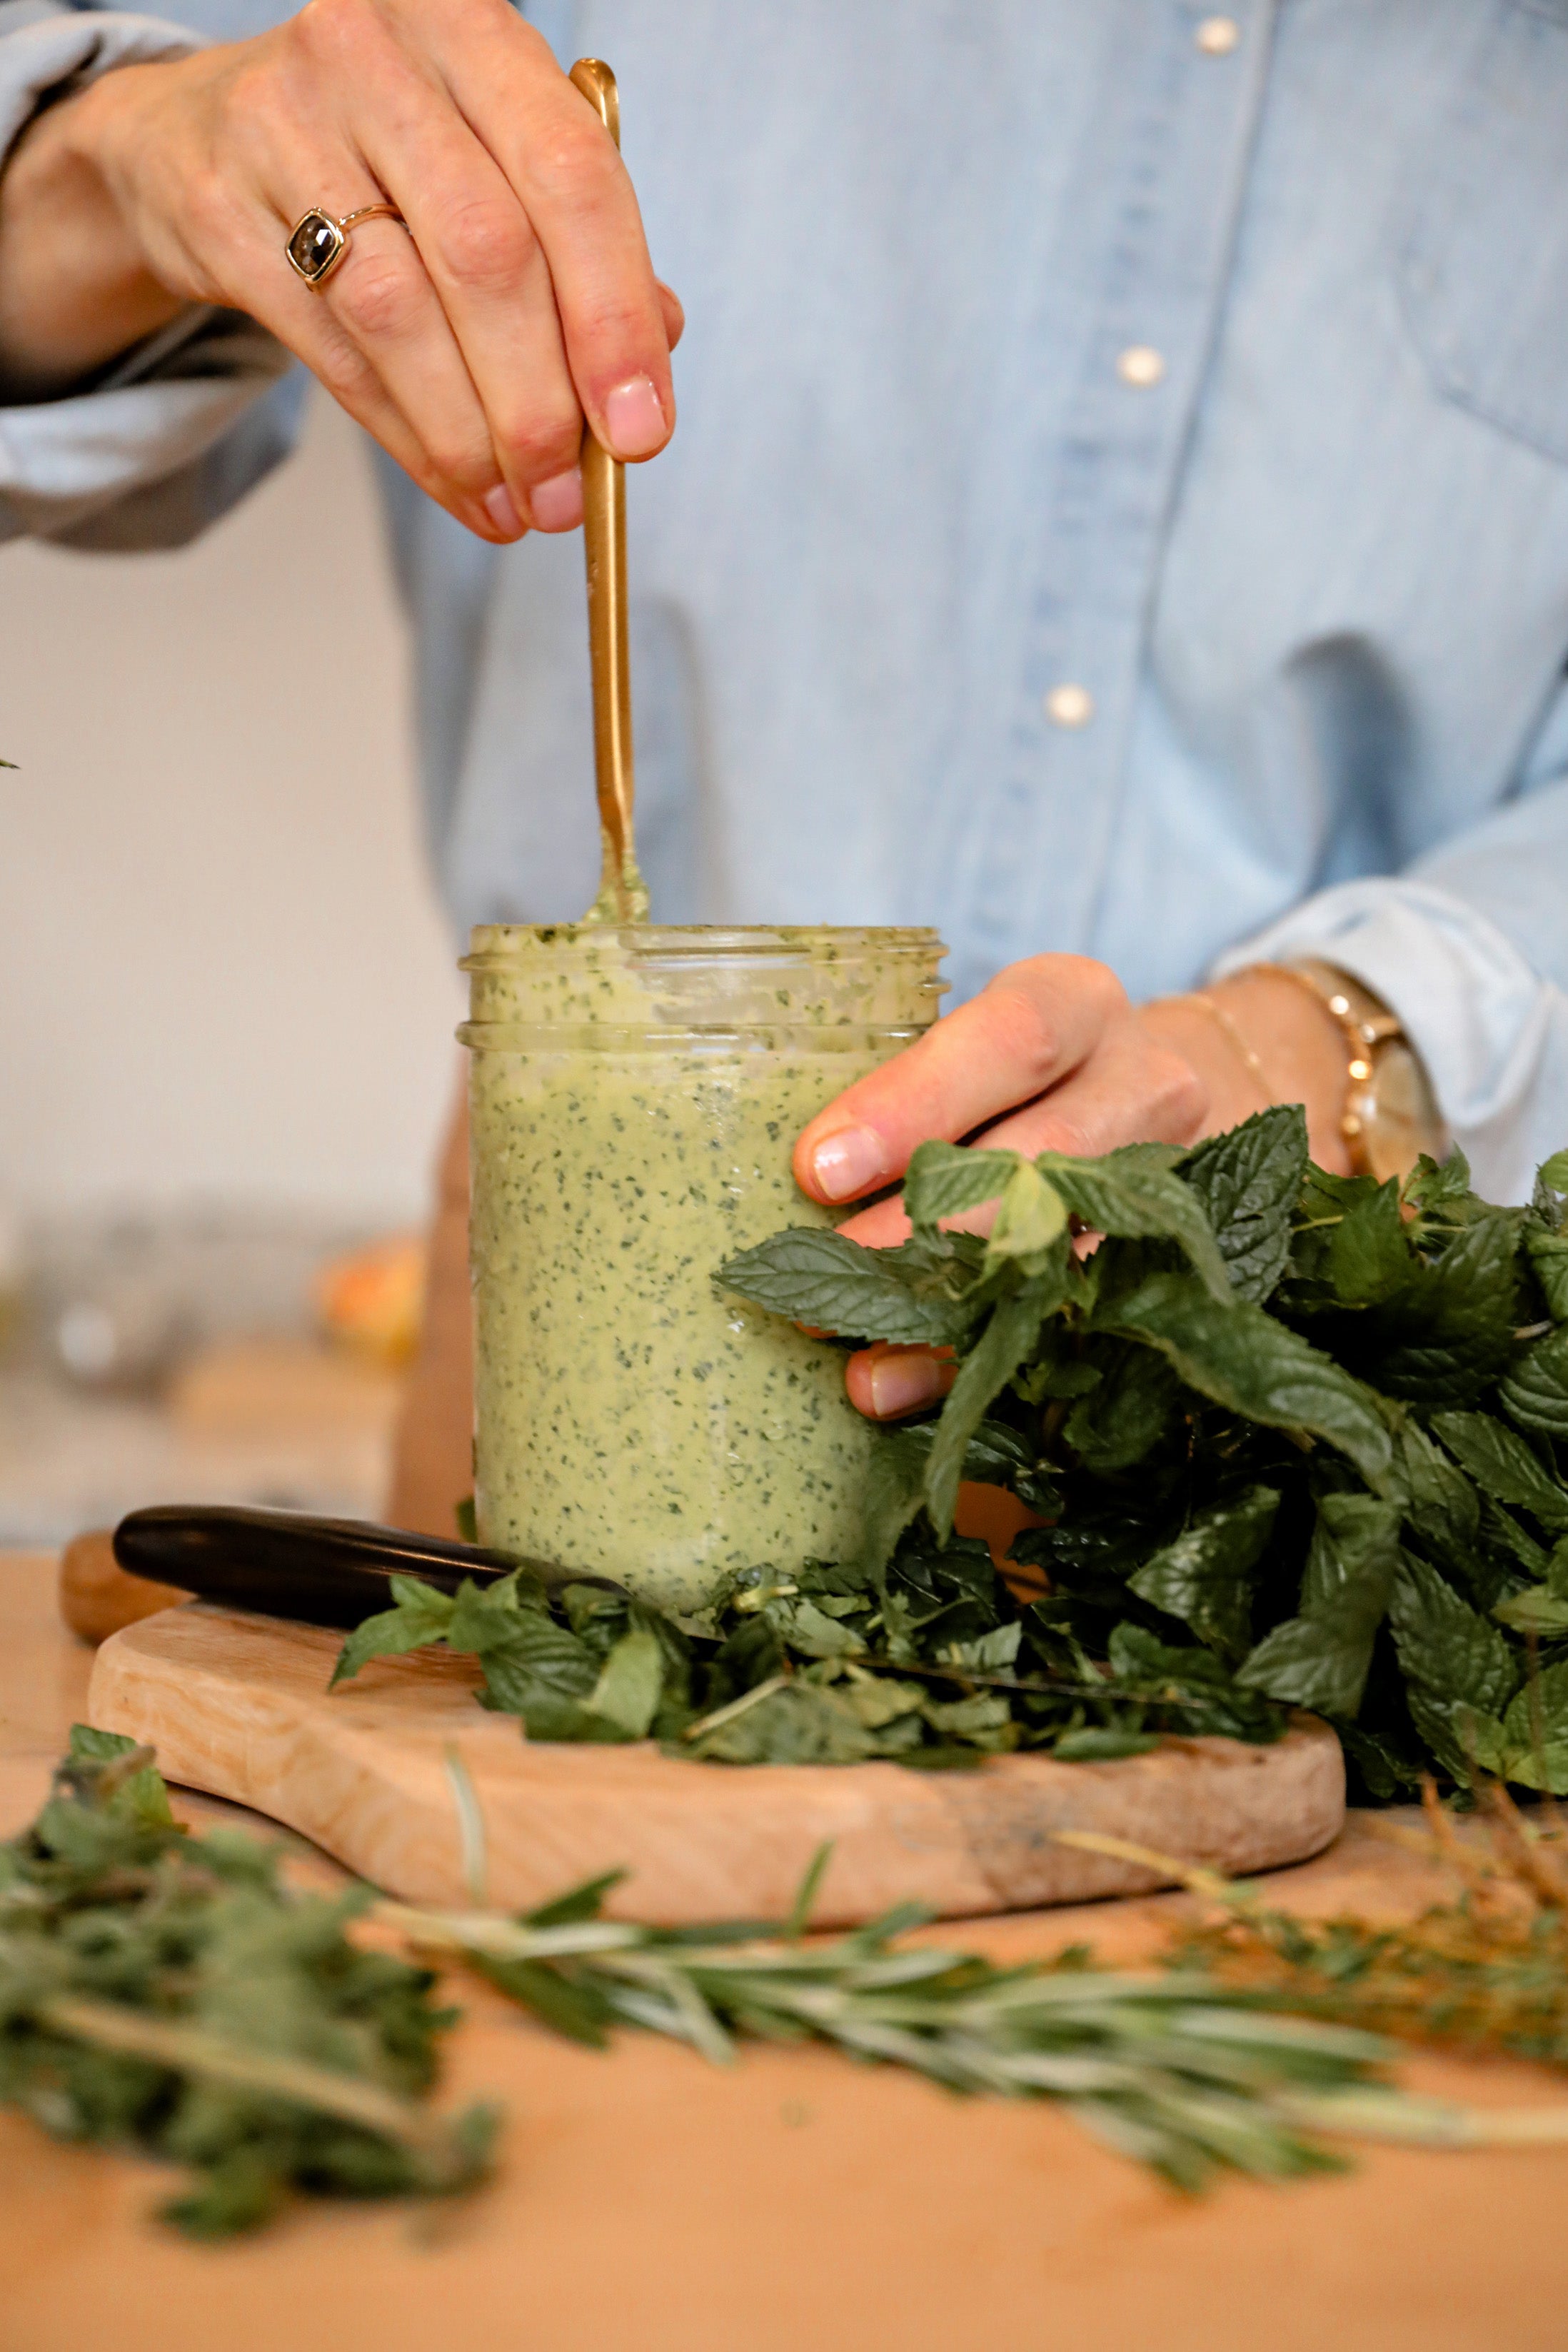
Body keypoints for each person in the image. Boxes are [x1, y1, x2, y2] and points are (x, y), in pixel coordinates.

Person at [3, 1, 1565, 1532]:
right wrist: (118, 160)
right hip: (570, 1362)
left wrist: (1346, 1047)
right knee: (524, 1780)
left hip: (1303, 1448)